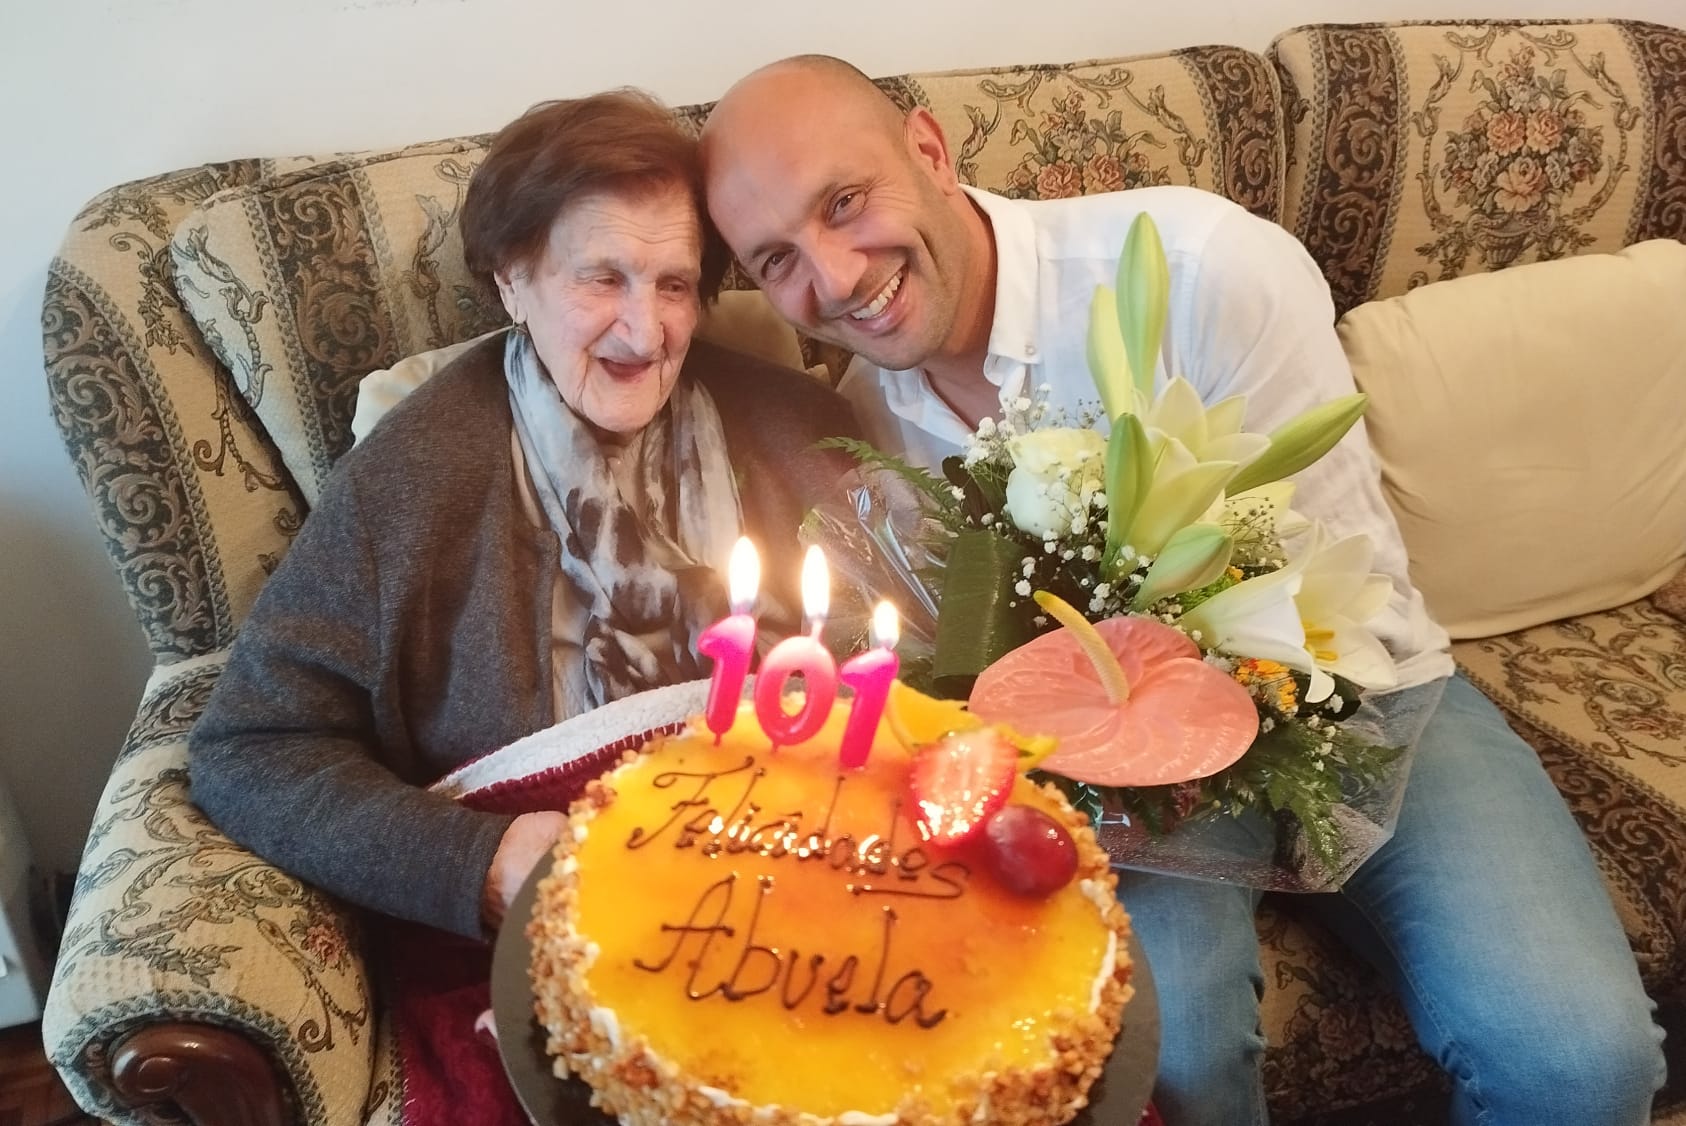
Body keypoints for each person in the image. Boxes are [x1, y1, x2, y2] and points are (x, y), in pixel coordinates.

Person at [699, 55, 1666, 1126]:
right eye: (777, 258)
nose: (834, 278)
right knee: (1168, 1057)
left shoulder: (1200, 267)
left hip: (1362, 693)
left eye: (845, 203)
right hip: (1111, 764)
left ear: (929, 149)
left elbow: (1326, 588)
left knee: (1582, 1062)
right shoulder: (867, 431)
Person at [189, 89, 861, 940]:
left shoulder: (797, 429)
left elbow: (908, 666)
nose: (645, 331)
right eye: (602, 279)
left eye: (675, 285)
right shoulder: (409, 479)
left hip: (810, 889)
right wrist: (477, 863)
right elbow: (251, 747)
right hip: (565, 922)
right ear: (512, 279)